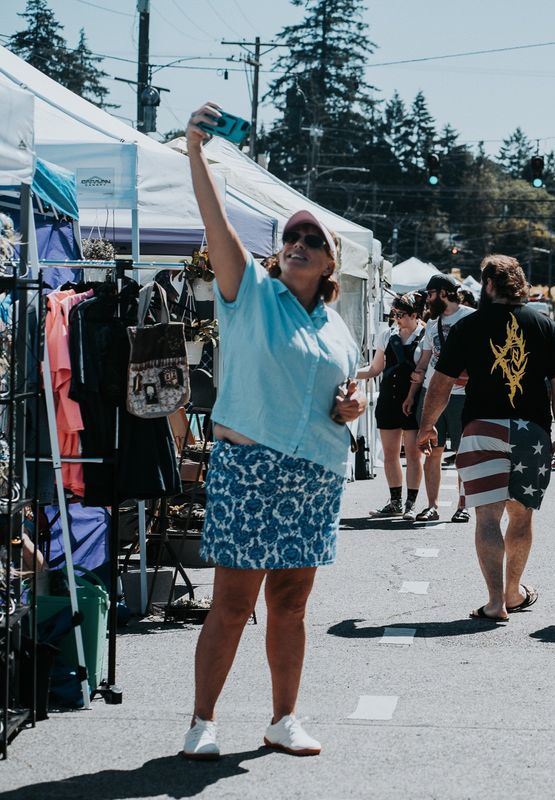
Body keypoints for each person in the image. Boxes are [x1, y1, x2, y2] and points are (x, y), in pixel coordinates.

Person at [182, 103, 364, 759]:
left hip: (314, 473)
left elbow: (340, 397)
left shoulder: (339, 331)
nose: (300, 243)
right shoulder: (251, 293)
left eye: (313, 240)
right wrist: (196, 150)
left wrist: (351, 406)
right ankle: (202, 722)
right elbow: (216, 221)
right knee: (232, 603)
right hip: (250, 468)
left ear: (329, 264)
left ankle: (283, 719)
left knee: (291, 604)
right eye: (293, 235)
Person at [418, 255, 555, 621]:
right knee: (521, 518)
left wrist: (427, 425)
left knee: (487, 518)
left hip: (481, 428)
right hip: (530, 432)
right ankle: (514, 592)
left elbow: (440, 383)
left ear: (488, 285)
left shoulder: (467, 328)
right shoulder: (547, 326)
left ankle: (494, 602)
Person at [404, 274, 474, 523]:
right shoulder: (432, 323)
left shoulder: (470, 318)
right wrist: (413, 392)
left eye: (431, 294)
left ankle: (463, 505)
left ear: (444, 293)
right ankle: (432, 505)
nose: (427, 300)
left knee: (464, 453)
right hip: (431, 394)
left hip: (463, 396)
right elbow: (424, 360)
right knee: (431, 451)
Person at [357, 293, 425, 519]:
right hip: (389, 397)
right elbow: (375, 369)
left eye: (401, 314)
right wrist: (349, 373)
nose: (396, 318)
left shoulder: (425, 335)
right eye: (393, 313)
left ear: (416, 315)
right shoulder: (387, 335)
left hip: (414, 400)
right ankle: (394, 501)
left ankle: (411, 504)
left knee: (414, 454)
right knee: (390, 453)